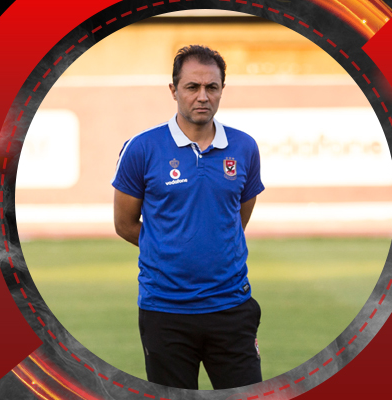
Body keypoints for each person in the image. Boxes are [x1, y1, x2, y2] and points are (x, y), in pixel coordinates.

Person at [111, 45, 265, 390]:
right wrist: (170, 248)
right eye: (192, 87)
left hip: (231, 307)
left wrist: (208, 243)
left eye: (212, 87)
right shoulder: (142, 148)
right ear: (174, 90)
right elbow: (124, 225)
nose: (203, 96)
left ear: (222, 90)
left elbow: (236, 219)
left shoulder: (244, 147)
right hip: (165, 311)